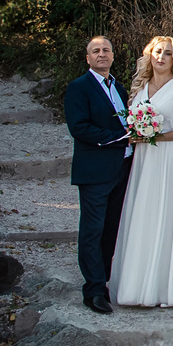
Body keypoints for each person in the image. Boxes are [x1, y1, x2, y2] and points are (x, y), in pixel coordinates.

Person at [107, 34, 173, 308]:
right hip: (143, 159)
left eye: (168, 53)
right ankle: (134, 288)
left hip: (167, 158)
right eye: (157, 52)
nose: (161, 57)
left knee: (164, 212)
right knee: (142, 213)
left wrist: (151, 137)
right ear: (150, 55)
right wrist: (138, 134)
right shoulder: (139, 88)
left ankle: (167, 289)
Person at [63, 36, 133, 315]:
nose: (102, 54)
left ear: (113, 56)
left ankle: (103, 281)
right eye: (96, 51)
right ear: (88, 59)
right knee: (92, 231)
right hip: (94, 171)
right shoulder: (79, 87)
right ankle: (93, 291)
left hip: (123, 169)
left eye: (106, 50)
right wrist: (121, 139)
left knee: (111, 230)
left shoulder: (121, 88)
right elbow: (79, 128)